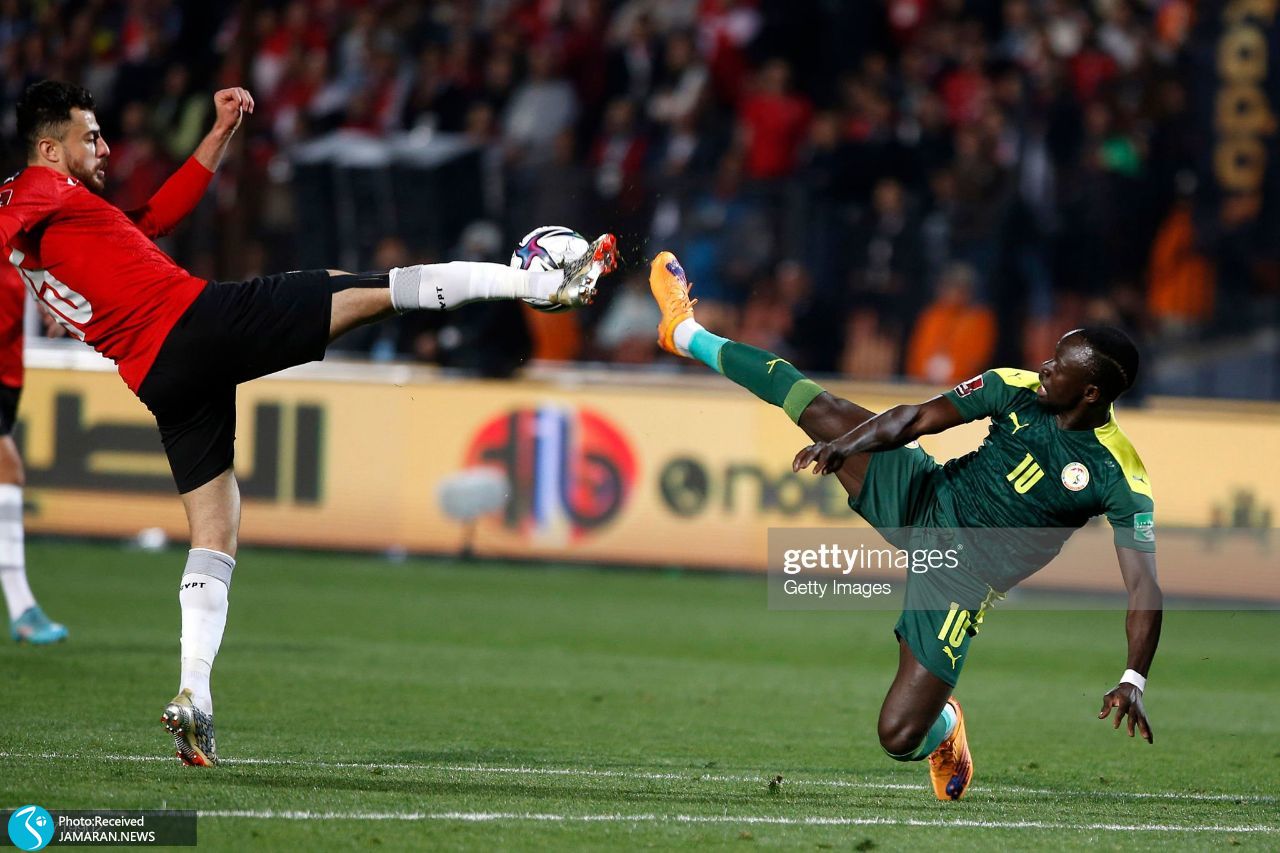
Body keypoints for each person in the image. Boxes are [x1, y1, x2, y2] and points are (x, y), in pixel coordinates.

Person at [0, 80, 618, 766]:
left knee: (216, 525)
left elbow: (155, 217)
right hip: (196, 324)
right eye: (90, 137)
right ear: (49, 149)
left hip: (160, 375)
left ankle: (194, 694)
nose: (105, 148)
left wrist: (218, 134)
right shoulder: (33, 191)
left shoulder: (68, 212)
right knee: (369, 289)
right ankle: (539, 282)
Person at [647, 251, 1161, 800]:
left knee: (897, 736)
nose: (1045, 366)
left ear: (1090, 393)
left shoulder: (1119, 474)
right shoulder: (1015, 386)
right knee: (817, 405)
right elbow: (915, 418)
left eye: (1059, 365)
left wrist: (1133, 678)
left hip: (960, 579)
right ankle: (686, 333)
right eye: (1052, 355)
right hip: (923, 497)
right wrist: (844, 445)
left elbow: (1144, 587)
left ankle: (947, 726)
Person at [0, 264, 69, 644]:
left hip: (8, 363)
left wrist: (49, 294)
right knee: (7, 470)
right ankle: (22, 608)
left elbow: (28, 256)